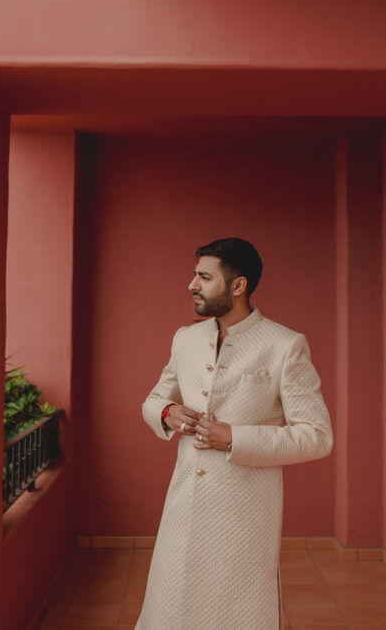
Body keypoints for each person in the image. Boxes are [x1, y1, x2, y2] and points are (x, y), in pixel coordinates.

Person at [136, 237, 333, 630]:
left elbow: (317, 436)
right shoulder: (186, 339)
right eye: (195, 275)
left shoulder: (284, 346)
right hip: (183, 504)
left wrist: (235, 438)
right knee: (168, 609)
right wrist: (167, 411)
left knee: (237, 613)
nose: (192, 285)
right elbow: (155, 397)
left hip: (244, 514)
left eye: (204, 277)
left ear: (237, 286)